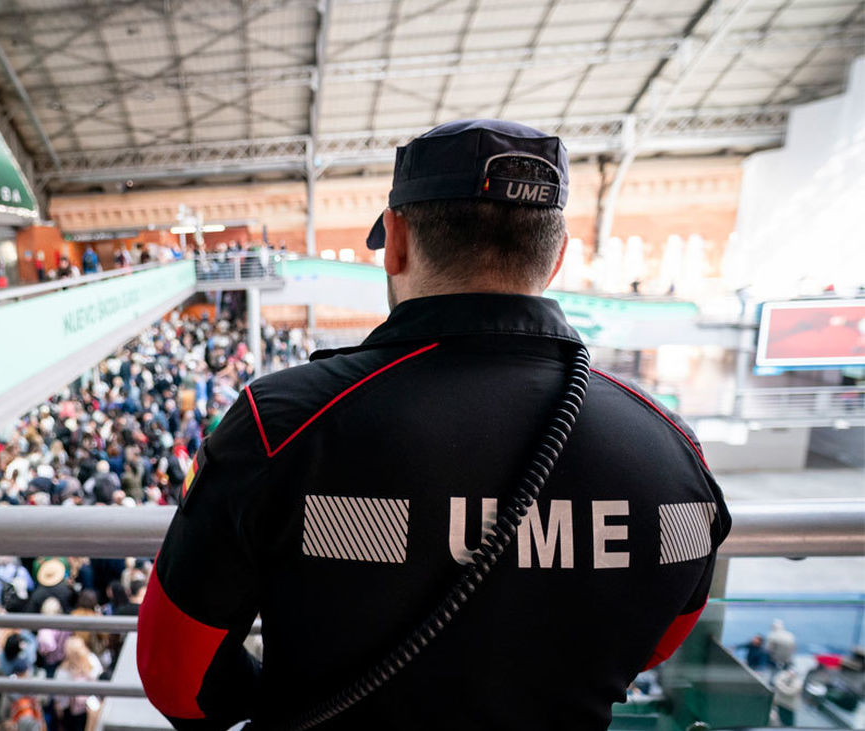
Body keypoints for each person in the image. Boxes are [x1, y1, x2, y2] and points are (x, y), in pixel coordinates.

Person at [137, 119, 731, 730]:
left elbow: (175, 678)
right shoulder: (673, 452)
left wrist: (269, 696)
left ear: (395, 242)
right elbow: (659, 641)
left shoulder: (281, 425)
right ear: (556, 258)